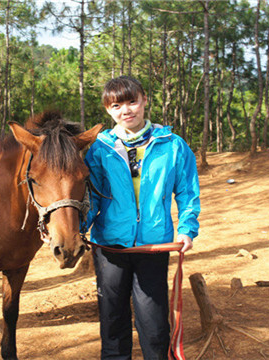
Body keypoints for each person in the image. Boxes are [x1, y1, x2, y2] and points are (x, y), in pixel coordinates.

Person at [84, 76, 200, 360]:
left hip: (153, 245)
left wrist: (187, 229)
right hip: (109, 247)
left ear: (144, 100)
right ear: (108, 110)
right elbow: (93, 197)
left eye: (132, 101)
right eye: (116, 105)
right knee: (112, 322)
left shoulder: (172, 145)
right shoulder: (99, 149)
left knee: (154, 323)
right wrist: (76, 227)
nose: (126, 110)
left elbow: (187, 192)